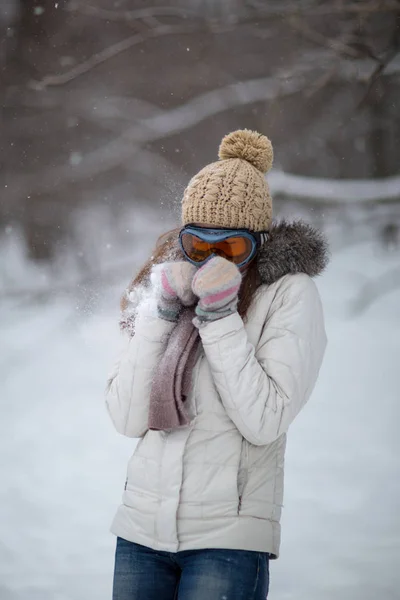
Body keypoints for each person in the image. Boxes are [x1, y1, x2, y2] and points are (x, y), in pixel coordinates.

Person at [106, 129, 328, 600]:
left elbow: (265, 419)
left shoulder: (289, 295)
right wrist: (161, 313)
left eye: (229, 249)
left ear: (258, 243)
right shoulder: (170, 288)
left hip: (227, 540)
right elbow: (126, 418)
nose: (210, 260)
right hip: (141, 533)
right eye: (197, 245)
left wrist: (221, 317)